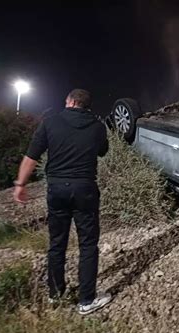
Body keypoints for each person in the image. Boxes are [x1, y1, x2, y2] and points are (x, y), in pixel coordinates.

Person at [13, 89, 111, 315]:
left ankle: (55, 295)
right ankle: (86, 301)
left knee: (57, 243)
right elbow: (103, 152)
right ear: (86, 105)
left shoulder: (50, 122)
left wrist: (20, 184)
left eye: (65, 100)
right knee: (88, 244)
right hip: (84, 189)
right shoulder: (97, 126)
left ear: (72, 101)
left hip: (57, 189)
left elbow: (31, 156)